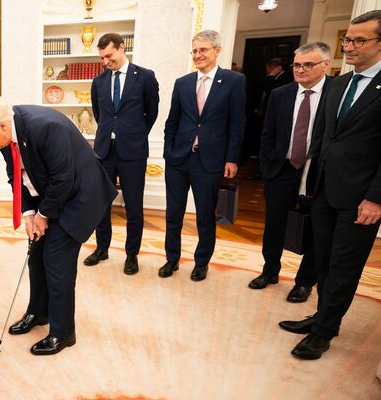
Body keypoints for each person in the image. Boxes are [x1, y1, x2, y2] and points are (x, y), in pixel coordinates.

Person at [0, 103, 116, 355]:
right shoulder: (7, 136)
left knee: (56, 260)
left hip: (80, 196)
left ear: (1, 126)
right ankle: (39, 311)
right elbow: (16, 175)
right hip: (52, 195)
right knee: (36, 255)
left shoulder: (46, 127)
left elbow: (63, 177)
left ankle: (63, 332)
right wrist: (29, 214)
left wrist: (43, 215)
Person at [280, 10, 381, 360]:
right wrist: (309, 185)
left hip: (361, 198)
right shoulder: (338, 83)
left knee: (343, 266)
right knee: (322, 259)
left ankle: (323, 332)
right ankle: (322, 317)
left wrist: (376, 198)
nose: (348, 46)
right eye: (348, 39)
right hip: (324, 190)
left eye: (359, 40)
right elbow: (321, 140)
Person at [250, 42, 332, 302]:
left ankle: (305, 282)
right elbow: (268, 133)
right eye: (297, 65)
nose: (300, 70)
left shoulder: (336, 92)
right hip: (282, 169)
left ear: (326, 65)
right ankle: (270, 271)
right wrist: (266, 167)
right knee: (274, 225)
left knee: (317, 228)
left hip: (319, 173)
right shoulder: (280, 94)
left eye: (308, 64)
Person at [162, 30, 246, 282]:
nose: (198, 55)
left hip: (209, 161)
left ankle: (201, 263)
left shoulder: (234, 81)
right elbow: (172, 121)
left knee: (205, 216)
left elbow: (237, 124)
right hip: (178, 159)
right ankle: (172, 259)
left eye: (203, 50)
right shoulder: (182, 83)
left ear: (217, 50)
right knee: (173, 214)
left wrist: (231, 158)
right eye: (195, 51)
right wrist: (168, 150)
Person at [83, 33, 159, 274]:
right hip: (105, 151)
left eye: (109, 56)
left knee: (133, 206)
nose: (106, 62)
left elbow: (152, 113)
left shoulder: (145, 77)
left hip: (133, 152)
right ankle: (102, 248)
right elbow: (99, 114)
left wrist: (133, 134)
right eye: (102, 58)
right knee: (101, 204)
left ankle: (131, 255)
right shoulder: (98, 81)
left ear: (122, 48)